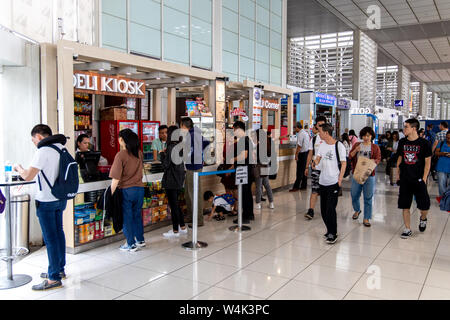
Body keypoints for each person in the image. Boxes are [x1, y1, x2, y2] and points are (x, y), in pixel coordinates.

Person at [13, 124, 68, 291]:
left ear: (38, 137)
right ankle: (59, 269)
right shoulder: (61, 148)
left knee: (50, 238)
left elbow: (28, 175)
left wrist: (18, 168)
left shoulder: (42, 151)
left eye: (33, 140)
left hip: (46, 200)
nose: (33, 143)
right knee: (59, 233)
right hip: (61, 198)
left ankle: (53, 278)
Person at [395, 118, 432, 239]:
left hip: (419, 179)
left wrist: (424, 178)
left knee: (424, 206)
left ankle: (423, 218)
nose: (404, 129)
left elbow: (427, 162)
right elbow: (400, 158)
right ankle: (407, 228)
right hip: (405, 178)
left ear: (414, 128)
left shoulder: (424, 143)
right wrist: (398, 173)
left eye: (406, 127)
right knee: (405, 205)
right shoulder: (402, 142)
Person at [109, 129, 146, 251]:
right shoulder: (139, 153)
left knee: (127, 217)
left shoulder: (121, 155)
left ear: (122, 140)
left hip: (127, 191)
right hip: (140, 189)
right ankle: (140, 240)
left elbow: (115, 178)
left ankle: (130, 244)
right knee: (137, 215)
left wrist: (110, 193)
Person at [312, 123, 347, 244]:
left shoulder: (339, 146)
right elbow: (318, 158)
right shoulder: (322, 145)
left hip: (333, 182)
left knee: (330, 209)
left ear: (326, 133)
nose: (319, 134)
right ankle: (329, 229)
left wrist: (340, 180)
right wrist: (315, 162)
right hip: (323, 181)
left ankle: (333, 233)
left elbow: (343, 163)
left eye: (320, 131)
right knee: (323, 210)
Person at [349, 127, 381, 227]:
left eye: (368, 135)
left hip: (369, 175)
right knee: (354, 194)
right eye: (364, 135)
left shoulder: (375, 147)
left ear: (371, 136)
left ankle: (366, 218)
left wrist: (370, 163)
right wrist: (356, 150)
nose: (366, 138)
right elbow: (350, 156)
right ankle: (357, 210)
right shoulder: (357, 145)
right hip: (357, 173)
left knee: (368, 197)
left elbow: (378, 159)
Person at [180, 117, 210, 228]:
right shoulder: (195, 134)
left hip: (193, 167)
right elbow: (206, 143)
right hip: (192, 167)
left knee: (194, 194)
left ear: (184, 126)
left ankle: (198, 219)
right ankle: (191, 216)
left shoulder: (191, 135)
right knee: (188, 193)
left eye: (181, 126)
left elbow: (190, 152)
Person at [160, 125, 187, 237]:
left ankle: (175, 230)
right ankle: (182, 226)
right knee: (176, 204)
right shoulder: (180, 146)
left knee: (173, 204)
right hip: (179, 178)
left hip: (171, 179)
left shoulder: (171, 147)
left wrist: (162, 154)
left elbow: (166, 165)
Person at [230, 121, 254, 224]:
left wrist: (233, 159)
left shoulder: (243, 140)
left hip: (243, 170)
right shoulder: (248, 139)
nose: (234, 132)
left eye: (234, 129)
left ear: (238, 128)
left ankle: (244, 217)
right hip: (248, 169)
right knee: (247, 192)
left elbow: (244, 155)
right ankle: (250, 214)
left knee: (244, 193)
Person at [304, 116, 327, 220]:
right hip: (316, 169)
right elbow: (310, 154)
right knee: (314, 190)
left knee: (326, 191)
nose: (321, 127)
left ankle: (326, 210)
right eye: (319, 125)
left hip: (327, 170)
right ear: (316, 126)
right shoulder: (313, 139)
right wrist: (306, 167)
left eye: (323, 125)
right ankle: (311, 210)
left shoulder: (329, 138)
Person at [255, 129, 274, 209]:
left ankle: (258, 203)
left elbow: (255, 157)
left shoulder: (259, 145)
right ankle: (271, 202)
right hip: (265, 166)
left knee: (258, 186)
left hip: (259, 166)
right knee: (267, 185)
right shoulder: (267, 143)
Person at [290, 123, 310, 192]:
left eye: (295, 128)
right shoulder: (305, 133)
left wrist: (296, 154)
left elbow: (299, 145)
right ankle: (304, 185)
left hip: (302, 154)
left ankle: (296, 187)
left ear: (297, 127)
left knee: (299, 171)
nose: (294, 130)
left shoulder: (301, 134)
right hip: (306, 153)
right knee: (304, 170)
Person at [435, 131, 450, 200]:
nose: (448, 139)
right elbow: (436, 153)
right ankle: (443, 199)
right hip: (441, 167)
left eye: (449, 138)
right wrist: (443, 153)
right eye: (447, 138)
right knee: (441, 184)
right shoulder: (441, 143)